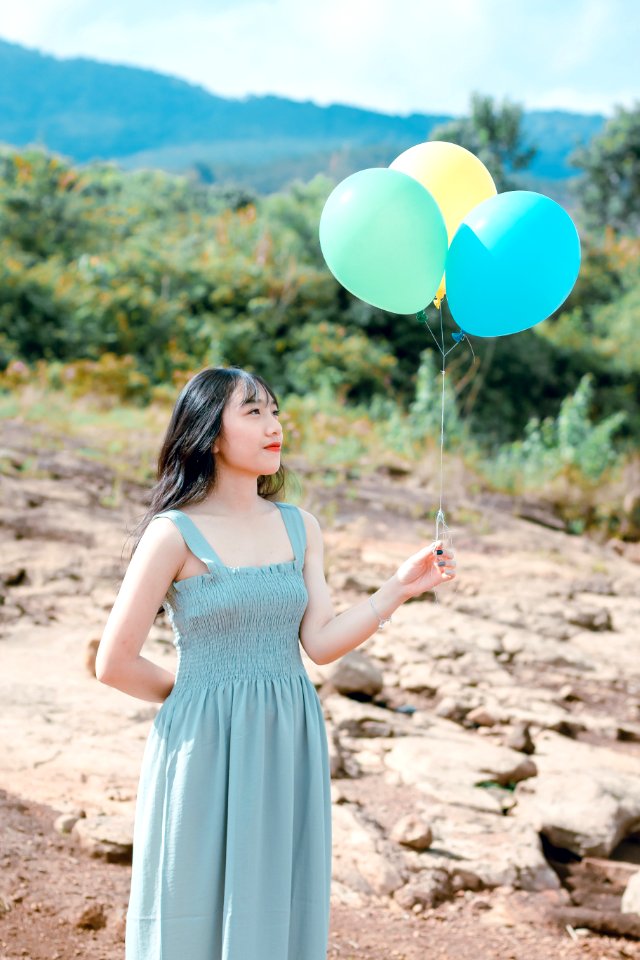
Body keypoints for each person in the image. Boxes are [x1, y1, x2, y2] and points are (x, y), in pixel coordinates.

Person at [95, 365, 456, 960]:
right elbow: (114, 661)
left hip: (288, 733)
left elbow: (320, 641)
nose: (274, 426)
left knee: (274, 902)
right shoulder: (172, 534)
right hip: (201, 743)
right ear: (211, 433)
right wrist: (196, 698)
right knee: (190, 895)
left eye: (275, 411)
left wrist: (397, 588)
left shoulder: (299, 526)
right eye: (253, 412)